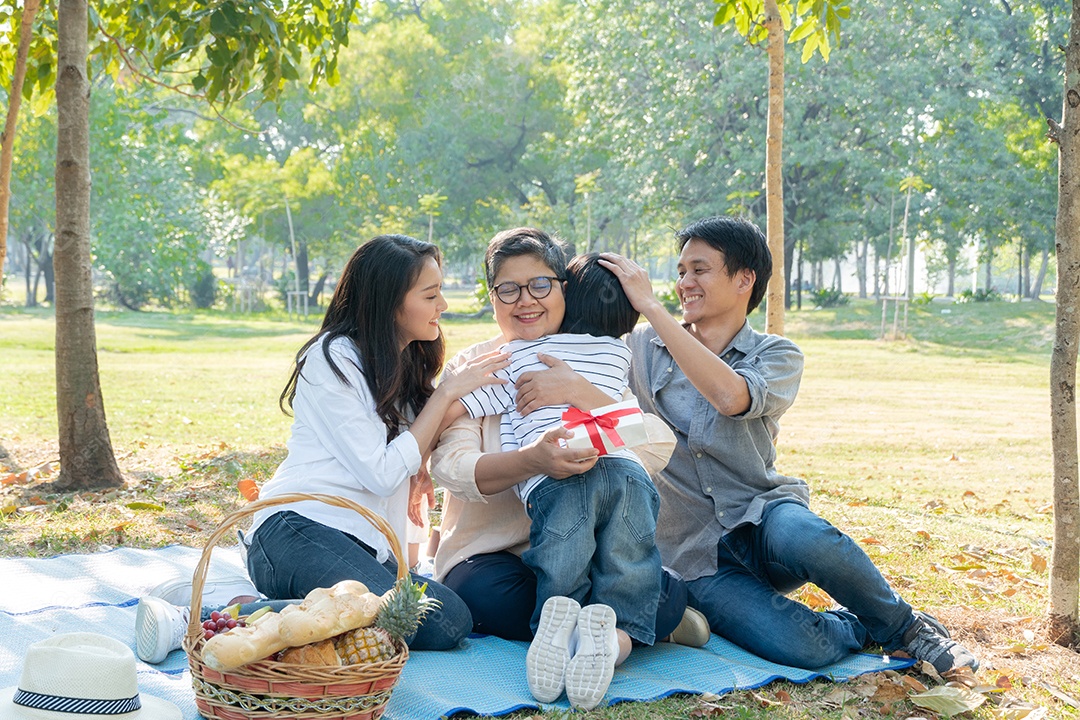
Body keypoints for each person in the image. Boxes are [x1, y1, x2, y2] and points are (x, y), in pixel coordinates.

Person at [597, 215, 979, 674]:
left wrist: (652, 307)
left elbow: (730, 396)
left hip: (763, 519)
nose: (684, 283)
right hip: (693, 555)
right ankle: (858, 626)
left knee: (813, 539)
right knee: (808, 648)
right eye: (680, 271)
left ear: (744, 279)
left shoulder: (777, 354)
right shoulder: (639, 348)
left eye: (699, 269)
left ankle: (908, 628)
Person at [134, 235, 508, 664]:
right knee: (434, 622)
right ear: (389, 302)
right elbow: (381, 472)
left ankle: (240, 599)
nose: (443, 304)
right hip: (297, 528)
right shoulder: (332, 358)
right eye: (430, 294)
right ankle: (197, 617)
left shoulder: (406, 365)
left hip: (360, 545)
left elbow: (400, 487)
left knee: (445, 613)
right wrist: (445, 398)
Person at [429, 228, 709, 708]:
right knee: (479, 593)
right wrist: (532, 460)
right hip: (497, 556)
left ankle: (601, 641)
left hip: (591, 551)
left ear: (564, 287)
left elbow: (655, 443)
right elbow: (452, 468)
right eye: (508, 289)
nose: (526, 301)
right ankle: (628, 629)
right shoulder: (477, 364)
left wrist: (579, 392)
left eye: (540, 285)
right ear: (491, 296)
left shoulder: (591, 353)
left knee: (660, 584)